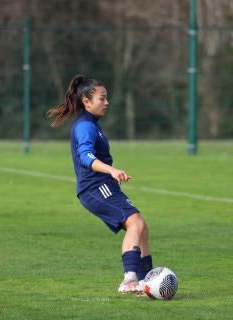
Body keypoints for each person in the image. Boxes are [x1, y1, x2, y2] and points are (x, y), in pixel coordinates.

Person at [47, 75, 153, 294]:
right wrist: (111, 170)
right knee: (135, 224)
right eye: (102, 98)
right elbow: (85, 157)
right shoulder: (85, 126)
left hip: (103, 186)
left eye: (107, 98)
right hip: (94, 187)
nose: (107, 103)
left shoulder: (92, 125)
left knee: (141, 226)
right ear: (86, 102)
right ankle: (130, 280)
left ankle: (147, 281)